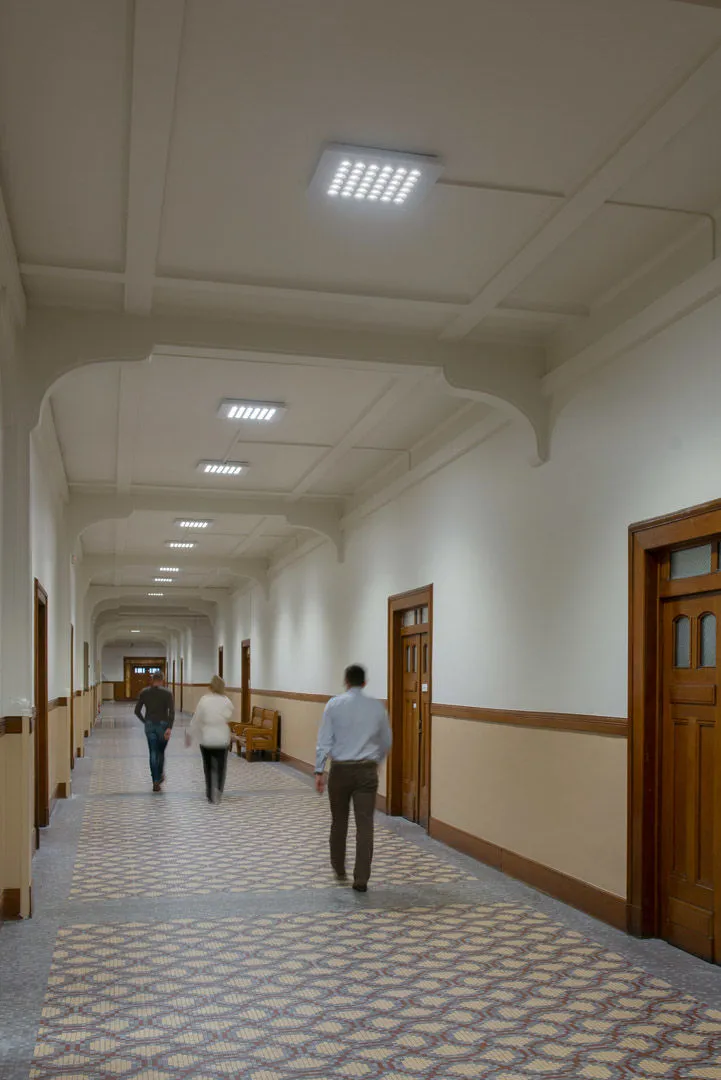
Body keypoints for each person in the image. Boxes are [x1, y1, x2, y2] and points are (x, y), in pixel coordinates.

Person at [315, 664, 392, 892]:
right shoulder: (377, 708)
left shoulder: (334, 705)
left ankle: (339, 869)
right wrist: (376, 761)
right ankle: (361, 879)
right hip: (366, 771)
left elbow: (324, 741)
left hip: (340, 770)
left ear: (346, 682)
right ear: (364, 683)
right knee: (365, 825)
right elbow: (386, 741)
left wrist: (319, 771)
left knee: (339, 822)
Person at [186, 675, 234, 804]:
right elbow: (228, 715)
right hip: (222, 738)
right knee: (221, 767)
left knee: (207, 767)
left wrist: (190, 733)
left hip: (207, 738)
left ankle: (209, 793)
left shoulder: (204, 700)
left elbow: (197, 718)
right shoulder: (227, 701)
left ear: (211, 686)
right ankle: (218, 789)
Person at [135, 671, 175, 792]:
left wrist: (145, 721)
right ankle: (160, 773)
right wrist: (169, 727)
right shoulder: (167, 693)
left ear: (152, 679)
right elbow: (171, 712)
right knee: (161, 752)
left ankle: (155, 780)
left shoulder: (144, 692)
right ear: (162, 680)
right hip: (163, 725)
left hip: (150, 725)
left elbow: (137, 711)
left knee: (152, 752)